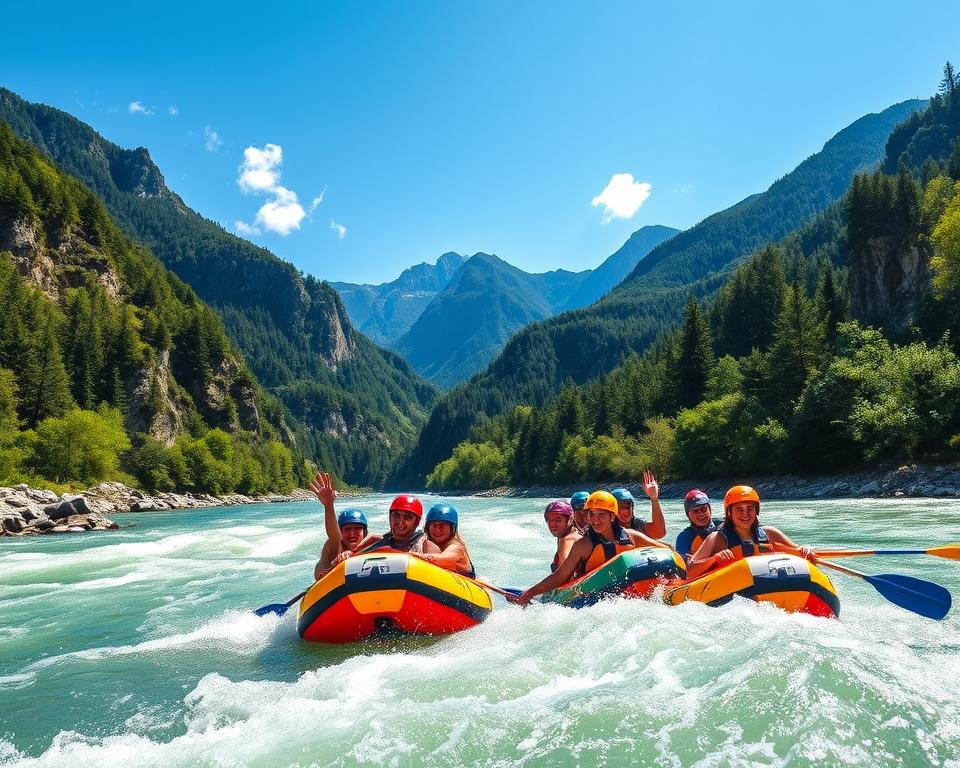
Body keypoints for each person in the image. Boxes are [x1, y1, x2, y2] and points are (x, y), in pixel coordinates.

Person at [511, 490, 669, 606]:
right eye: (591, 515)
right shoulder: (583, 545)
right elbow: (560, 575)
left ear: (612, 516)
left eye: (601, 515)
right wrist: (531, 592)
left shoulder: (632, 536)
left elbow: (667, 550)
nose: (595, 520)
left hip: (630, 594)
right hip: (592, 599)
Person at [685, 485, 815, 580]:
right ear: (729, 513)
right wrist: (714, 559)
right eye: (739, 509)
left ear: (756, 511)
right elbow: (689, 570)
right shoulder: (716, 538)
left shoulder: (770, 533)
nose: (745, 514)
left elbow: (797, 551)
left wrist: (805, 549)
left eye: (750, 509)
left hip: (768, 587)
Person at [311, 471, 370, 579]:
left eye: (357, 528)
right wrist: (329, 505)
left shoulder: (371, 545)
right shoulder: (334, 548)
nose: (352, 533)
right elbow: (334, 537)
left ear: (364, 532)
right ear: (340, 531)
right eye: (347, 529)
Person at [352, 494, 441, 556]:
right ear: (390, 517)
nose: (400, 522)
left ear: (417, 522)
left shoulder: (427, 547)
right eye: (396, 515)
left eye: (407, 517)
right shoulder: (378, 542)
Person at [418, 503, 476, 577]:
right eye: (434, 525)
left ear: (452, 529)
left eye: (442, 526)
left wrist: (412, 556)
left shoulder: (456, 547)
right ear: (428, 527)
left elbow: (443, 559)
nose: (437, 530)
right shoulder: (426, 543)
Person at [611, 469, 667, 539]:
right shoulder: (607, 528)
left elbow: (660, 533)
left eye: (627, 506)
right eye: (619, 507)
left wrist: (654, 499)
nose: (624, 511)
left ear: (632, 508)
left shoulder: (638, 525)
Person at [674, 489, 723, 564]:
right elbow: (685, 566)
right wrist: (714, 559)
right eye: (695, 511)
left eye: (704, 509)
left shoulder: (723, 526)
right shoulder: (684, 537)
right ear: (688, 515)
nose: (701, 514)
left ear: (710, 510)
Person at [542, 500, 580, 574]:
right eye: (549, 520)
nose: (552, 525)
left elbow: (564, 570)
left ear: (570, 520)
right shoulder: (570, 534)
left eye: (558, 520)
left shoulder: (567, 539)